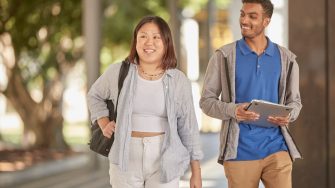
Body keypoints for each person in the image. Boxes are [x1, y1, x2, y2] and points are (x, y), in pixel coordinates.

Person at [87, 15, 203, 188]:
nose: (149, 42)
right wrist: (103, 122)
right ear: (135, 41)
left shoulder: (178, 80)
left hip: (165, 158)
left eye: (156, 37)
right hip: (124, 159)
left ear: (166, 43)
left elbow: (189, 127)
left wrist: (196, 172)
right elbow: (94, 95)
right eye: (143, 36)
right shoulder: (119, 71)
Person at [200, 0, 302, 188]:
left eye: (252, 16)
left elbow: (295, 102)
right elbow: (206, 101)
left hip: (277, 149)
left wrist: (288, 116)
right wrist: (234, 110)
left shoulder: (287, 58)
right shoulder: (223, 56)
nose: (244, 20)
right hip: (240, 152)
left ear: (266, 21)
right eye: (242, 14)